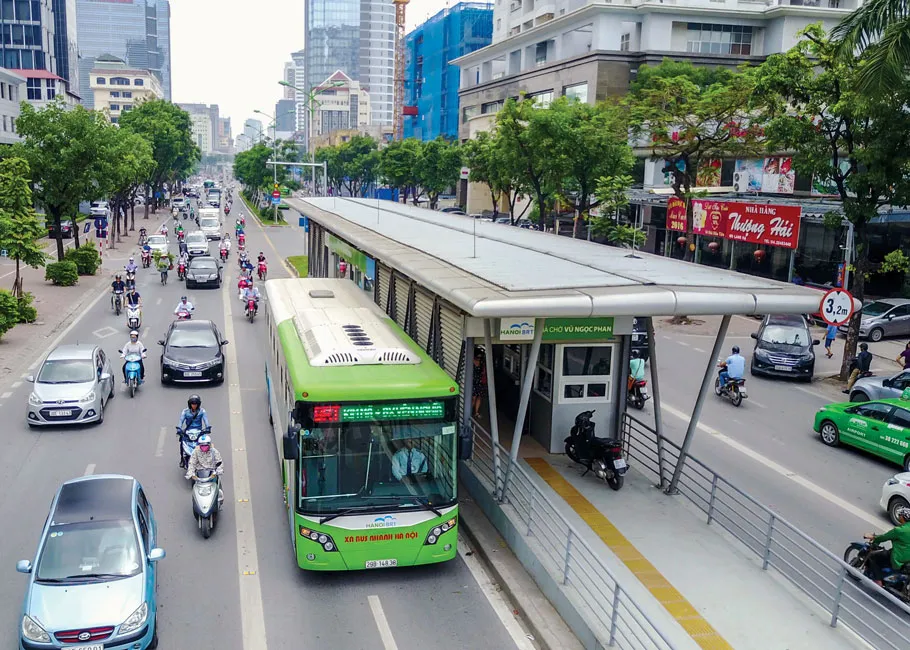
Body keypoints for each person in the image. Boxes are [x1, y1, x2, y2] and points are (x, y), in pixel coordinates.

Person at [862, 507, 910, 586]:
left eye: (900, 515)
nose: (899, 516)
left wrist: (873, 537)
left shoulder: (899, 530)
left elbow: (884, 537)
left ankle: (877, 580)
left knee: (872, 556)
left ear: (902, 517)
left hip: (899, 557)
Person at [185, 433, 224, 506]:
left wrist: (218, 471)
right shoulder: (195, 452)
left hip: (212, 474)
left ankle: (219, 502)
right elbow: (192, 463)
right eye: (202, 445)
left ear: (209, 444)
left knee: (219, 490)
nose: (204, 447)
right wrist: (191, 474)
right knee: (195, 491)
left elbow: (219, 462)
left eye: (205, 445)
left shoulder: (214, 451)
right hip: (200, 475)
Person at [176, 394, 210, 467]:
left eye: (195, 404)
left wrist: (208, 428)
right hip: (188, 432)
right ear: (189, 404)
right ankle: (182, 459)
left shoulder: (202, 411)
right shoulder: (185, 412)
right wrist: (179, 429)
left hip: (199, 432)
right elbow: (181, 421)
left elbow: (206, 421)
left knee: (206, 443)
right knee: (182, 443)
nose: (194, 405)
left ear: (198, 404)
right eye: (192, 404)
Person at [471, 348, 488, 418]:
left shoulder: (482, 364)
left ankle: (476, 412)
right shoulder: (471, 363)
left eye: (480, 358)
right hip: (473, 382)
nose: (479, 359)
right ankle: (471, 411)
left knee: (479, 397)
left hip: (480, 382)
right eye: (477, 358)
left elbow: (484, 372)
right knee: (473, 398)